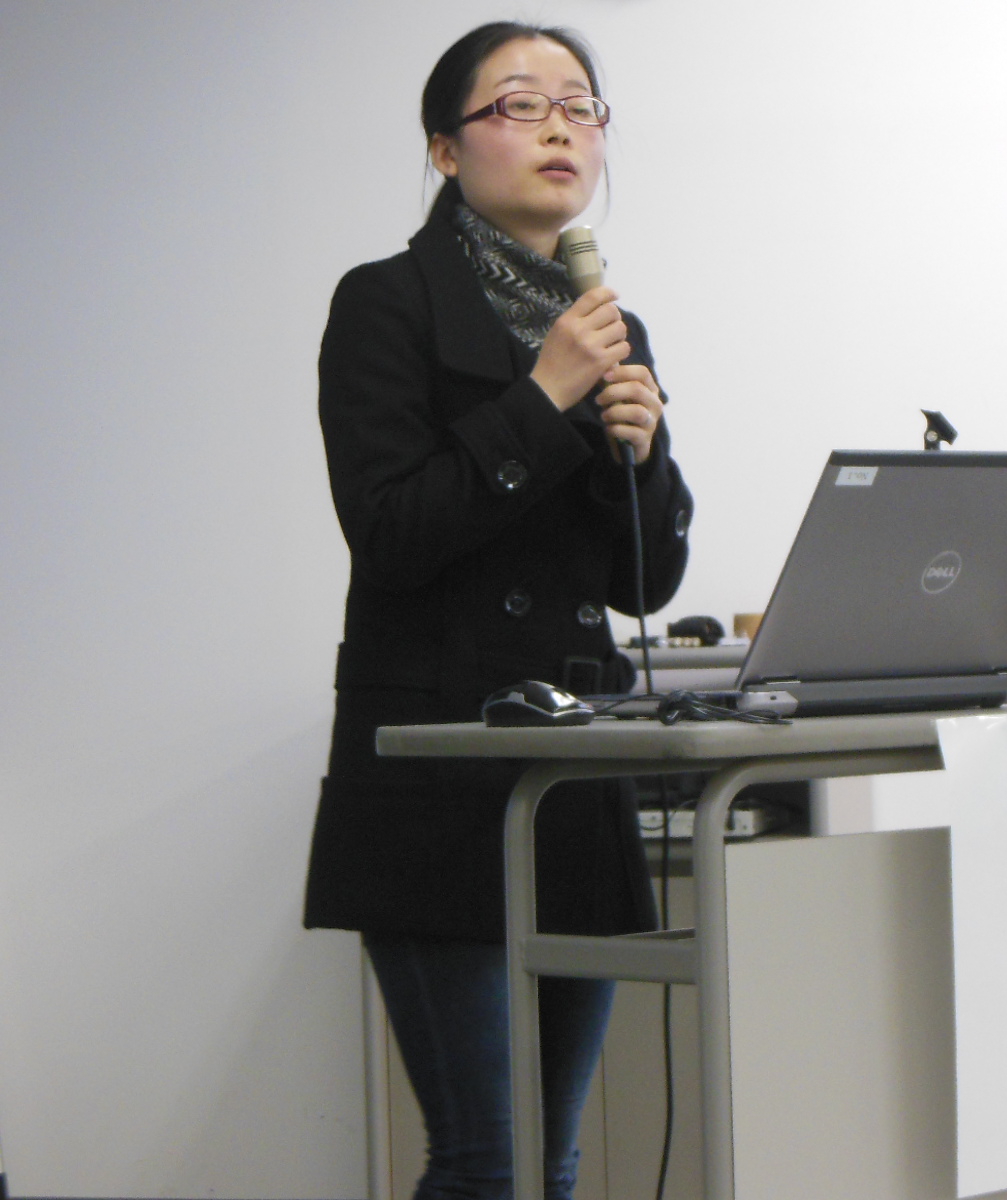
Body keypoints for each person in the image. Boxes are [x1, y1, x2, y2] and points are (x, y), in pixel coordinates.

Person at [301, 22, 692, 1200]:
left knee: (551, 1157)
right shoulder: (386, 303)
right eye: (521, 105)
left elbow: (643, 585)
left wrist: (642, 457)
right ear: (444, 147)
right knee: (484, 1160)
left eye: (580, 106)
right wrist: (544, 393)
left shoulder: (609, 324)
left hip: (572, 772)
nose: (560, 128)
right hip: (441, 777)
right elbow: (393, 532)